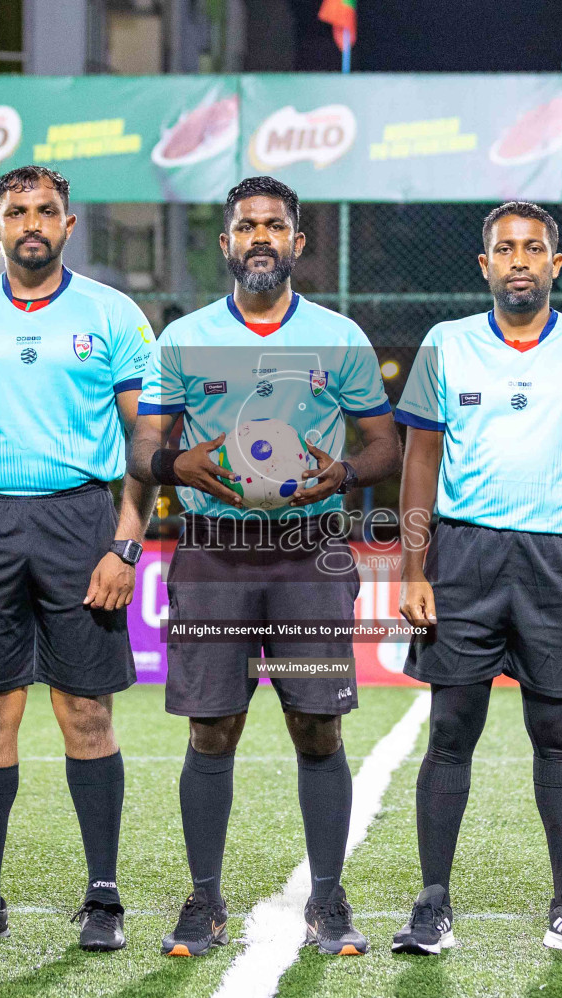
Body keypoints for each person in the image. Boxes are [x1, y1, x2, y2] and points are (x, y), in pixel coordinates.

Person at [129, 176, 401, 957]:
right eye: (245, 225)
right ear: (226, 243)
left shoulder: (338, 337)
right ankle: (203, 902)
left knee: (316, 725)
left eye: (274, 226)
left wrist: (342, 474)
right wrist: (182, 465)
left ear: (296, 244)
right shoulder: (182, 340)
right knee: (213, 727)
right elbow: (145, 450)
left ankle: (327, 899)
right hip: (215, 551)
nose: (259, 237)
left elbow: (385, 446)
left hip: (308, 552)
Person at [0, 165, 156, 953]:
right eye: (17, 211)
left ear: (70, 225)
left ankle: (104, 896)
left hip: (81, 521)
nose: (32, 222)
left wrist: (125, 543)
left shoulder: (113, 314)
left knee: (86, 711)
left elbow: (145, 442)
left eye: (47, 209)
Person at [388, 202, 562, 957]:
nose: (520, 260)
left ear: (556, 265)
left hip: (558, 561)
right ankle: (433, 901)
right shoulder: (445, 344)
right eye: (506, 249)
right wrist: (412, 566)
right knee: (452, 729)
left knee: (558, 733)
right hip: (463, 559)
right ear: (485, 265)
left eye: (534, 249)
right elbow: (419, 461)